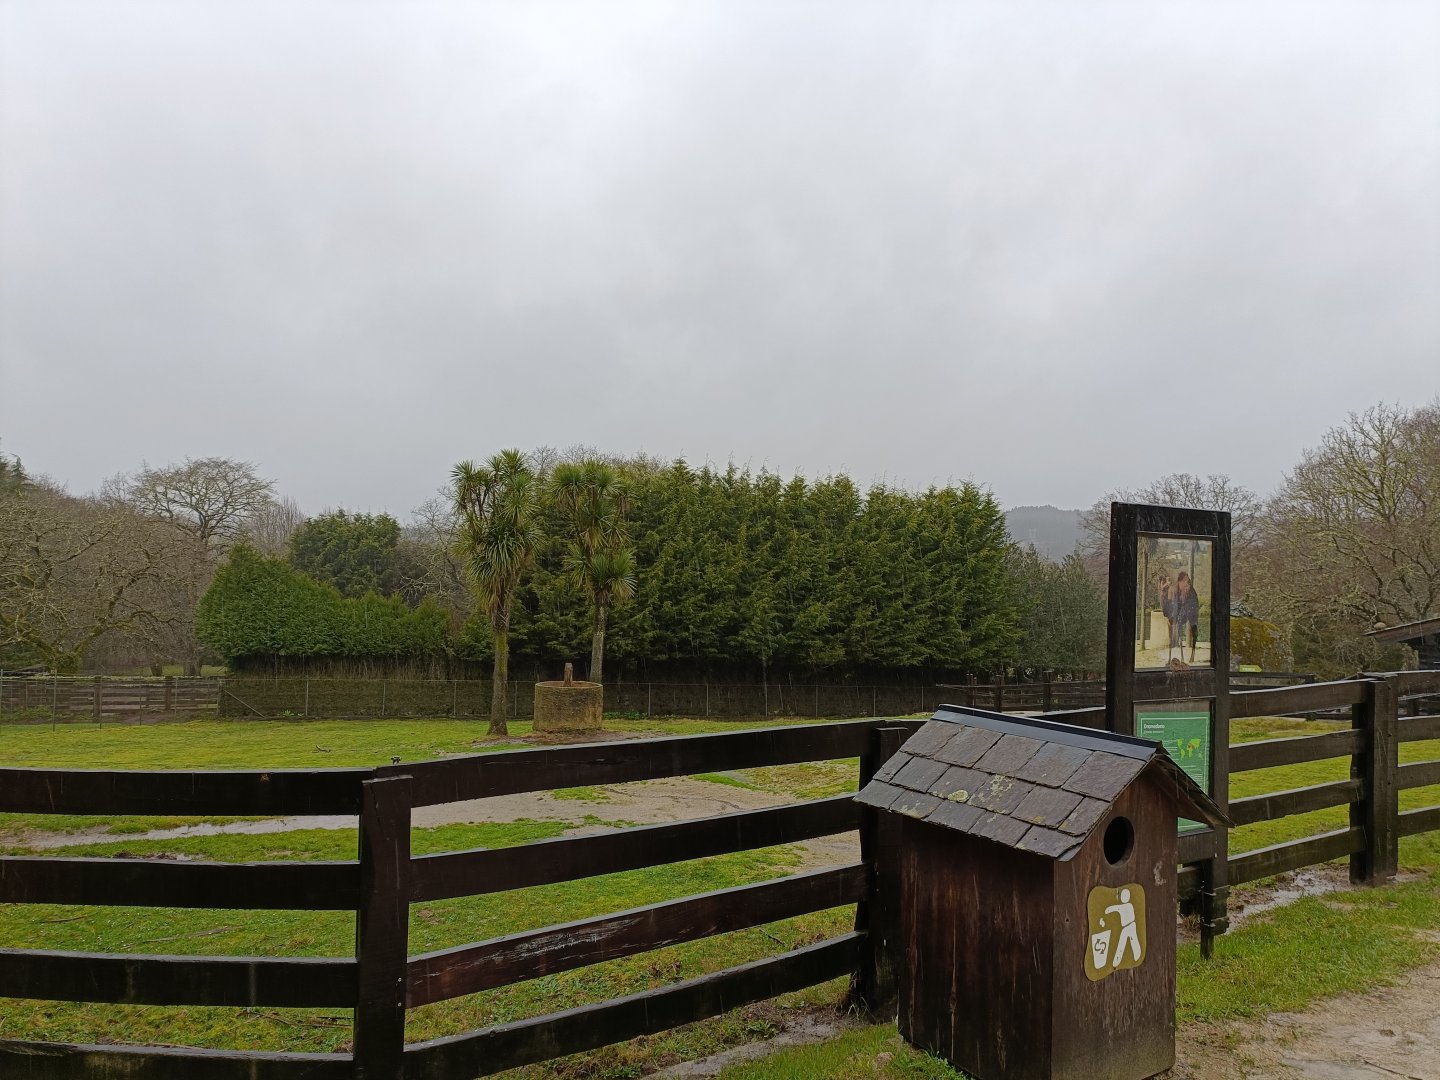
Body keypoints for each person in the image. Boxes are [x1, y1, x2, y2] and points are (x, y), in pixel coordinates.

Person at [1159, 570, 1201, 662]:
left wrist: (1185, 598)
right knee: (1171, 622)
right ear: (1180, 581)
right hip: (1177, 612)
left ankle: (1192, 653)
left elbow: (1194, 605)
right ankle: (1171, 656)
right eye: (1185, 580)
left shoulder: (1191, 591)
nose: (1187, 583)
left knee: (1193, 625)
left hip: (1189, 610)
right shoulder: (1174, 590)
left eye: (1188, 581)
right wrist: (1163, 591)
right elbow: (1168, 607)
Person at [1104, 887, 1142, 967]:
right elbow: (1116, 908)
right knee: (1124, 941)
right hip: (1127, 927)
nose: (1123, 898)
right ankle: (1118, 959)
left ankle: (1136, 954)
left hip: (1130, 925)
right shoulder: (1126, 906)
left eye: (1124, 896)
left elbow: (1116, 908)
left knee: (1131, 940)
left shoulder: (1128, 906)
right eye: (1122, 896)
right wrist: (1108, 910)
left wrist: (1108, 910)